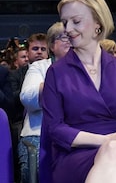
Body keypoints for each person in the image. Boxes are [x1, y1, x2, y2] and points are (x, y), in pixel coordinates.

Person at [40, 0, 116, 183]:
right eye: (65, 22)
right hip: (74, 156)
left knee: (115, 152)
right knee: (114, 150)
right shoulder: (56, 72)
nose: (68, 29)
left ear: (98, 22)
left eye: (76, 21)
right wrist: (106, 140)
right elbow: (55, 129)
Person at [17, 22, 71, 183]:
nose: (69, 40)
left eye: (71, 36)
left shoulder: (86, 69)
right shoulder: (39, 67)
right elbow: (27, 97)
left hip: (75, 135)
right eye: (63, 36)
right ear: (52, 46)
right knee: (40, 169)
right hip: (38, 133)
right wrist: (56, 81)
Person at [7, 32, 49, 182]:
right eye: (35, 48)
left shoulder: (50, 67)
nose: (39, 52)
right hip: (21, 121)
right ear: (28, 51)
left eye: (43, 49)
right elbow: (14, 100)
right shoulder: (15, 74)